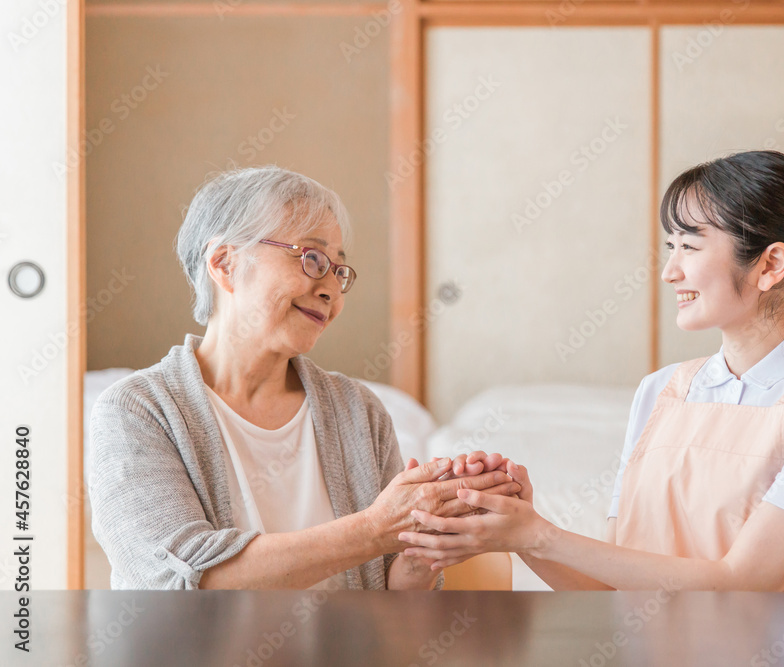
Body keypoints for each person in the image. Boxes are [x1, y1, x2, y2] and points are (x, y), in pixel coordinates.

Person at [399, 151, 784, 592]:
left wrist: (539, 536)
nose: (670, 271)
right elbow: (608, 591)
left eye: (690, 245)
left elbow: (744, 581)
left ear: (770, 266)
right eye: (670, 247)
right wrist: (522, 530)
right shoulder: (663, 390)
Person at [88, 166, 518, 590]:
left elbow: (390, 595)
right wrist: (376, 527)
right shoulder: (136, 410)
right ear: (224, 263)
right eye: (311, 259)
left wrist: (423, 542)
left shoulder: (359, 410)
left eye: (339, 270)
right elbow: (179, 583)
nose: (331, 288)